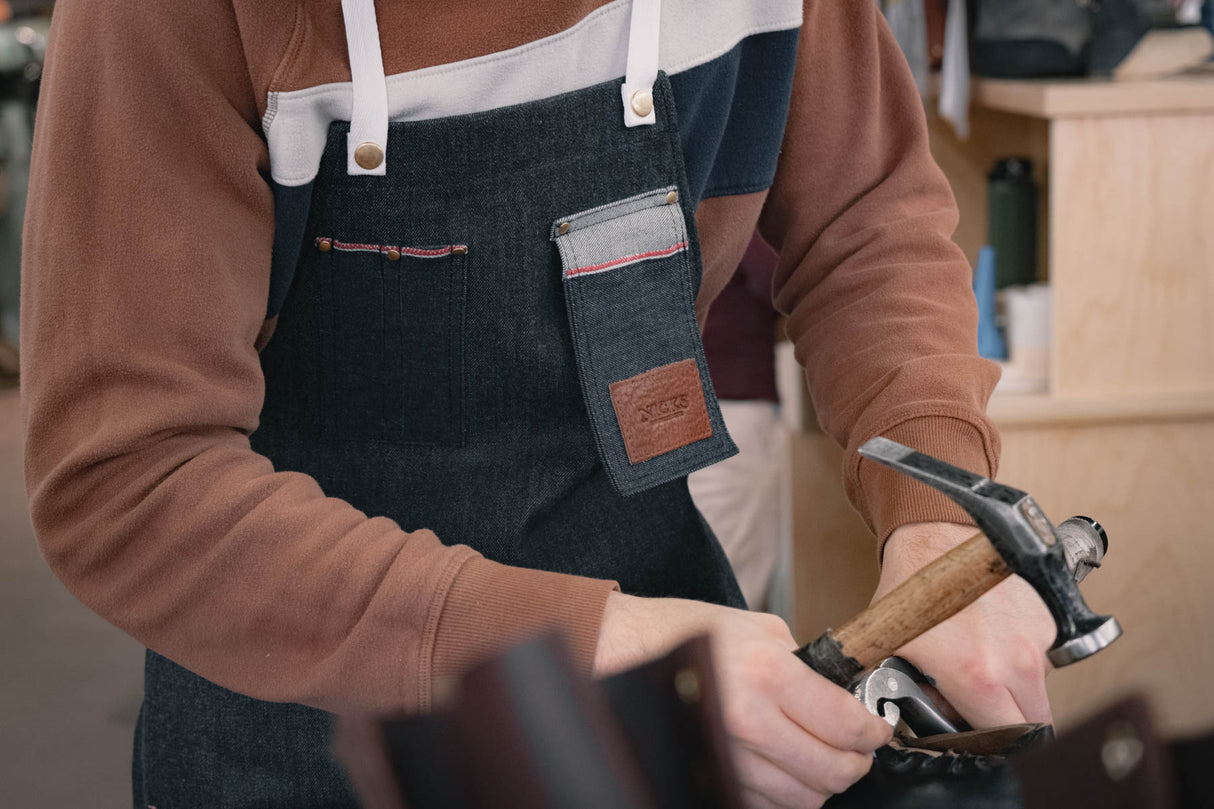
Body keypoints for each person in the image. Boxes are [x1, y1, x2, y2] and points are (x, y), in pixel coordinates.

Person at [21, 2, 1053, 808]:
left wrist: (937, 513)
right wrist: (586, 646)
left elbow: (866, 223)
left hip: (649, 653)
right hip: (303, 714)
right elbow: (129, 479)